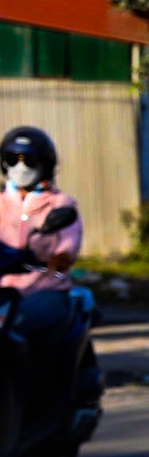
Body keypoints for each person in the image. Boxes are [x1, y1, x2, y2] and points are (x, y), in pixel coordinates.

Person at [0, 126, 85, 350]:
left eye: (29, 160)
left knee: (20, 327)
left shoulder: (60, 204)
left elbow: (69, 242)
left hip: (45, 289)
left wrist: (60, 259)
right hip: (3, 289)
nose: (20, 167)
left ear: (45, 164)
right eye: (12, 159)